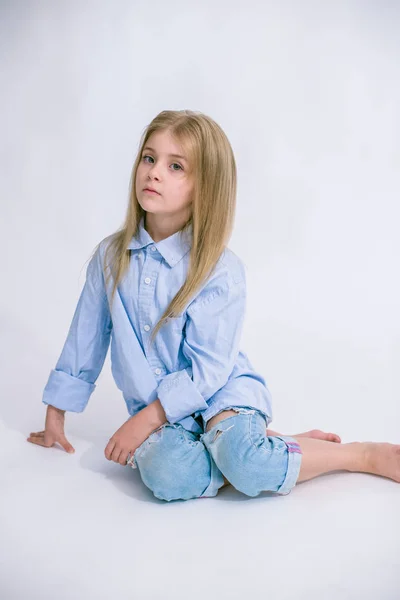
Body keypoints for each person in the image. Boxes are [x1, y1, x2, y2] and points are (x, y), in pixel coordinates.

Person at [27, 110, 400, 501]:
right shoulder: (111, 258)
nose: (154, 173)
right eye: (149, 159)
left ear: (204, 188)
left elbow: (210, 371)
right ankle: (259, 449)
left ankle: (359, 455)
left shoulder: (221, 270)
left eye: (175, 167)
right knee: (168, 475)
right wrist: (57, 411)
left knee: (248, 463)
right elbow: (85, 334)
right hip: (160, 411)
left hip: (219, 393)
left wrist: (144, 422)